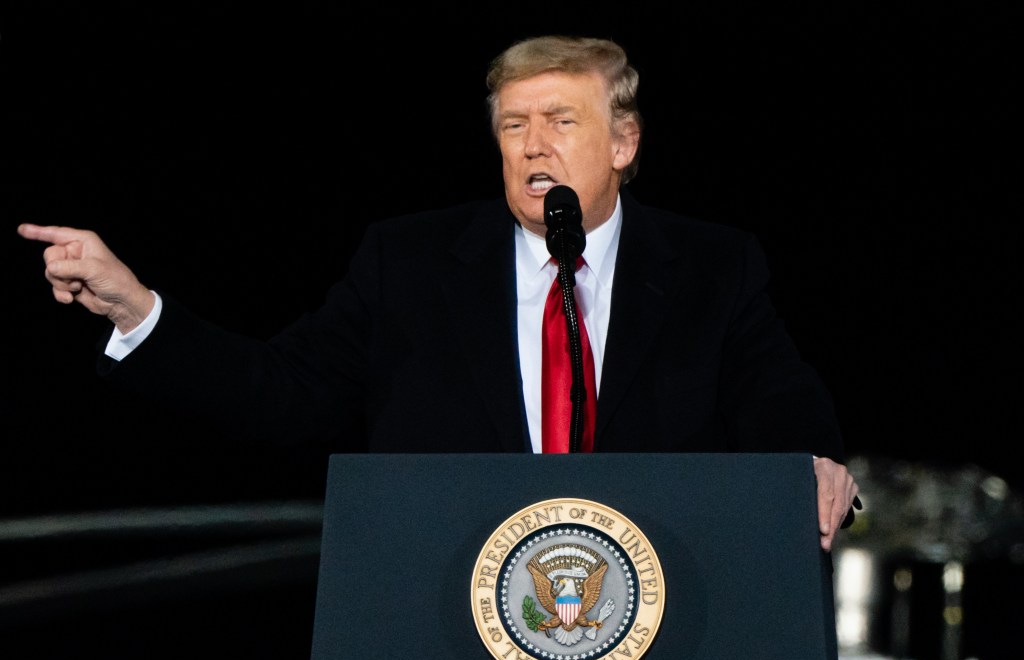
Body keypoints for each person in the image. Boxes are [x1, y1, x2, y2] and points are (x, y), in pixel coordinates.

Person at [17, 35, 858, 551]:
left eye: (562, 121)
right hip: (448, 614)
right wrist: (138, 310)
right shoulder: (409, 263)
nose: (535, 146)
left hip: (659, 609)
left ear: (624, 141)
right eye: (514, 125)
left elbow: (778, 400)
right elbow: (286, 396)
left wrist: (816, 467)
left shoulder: (713, 267)